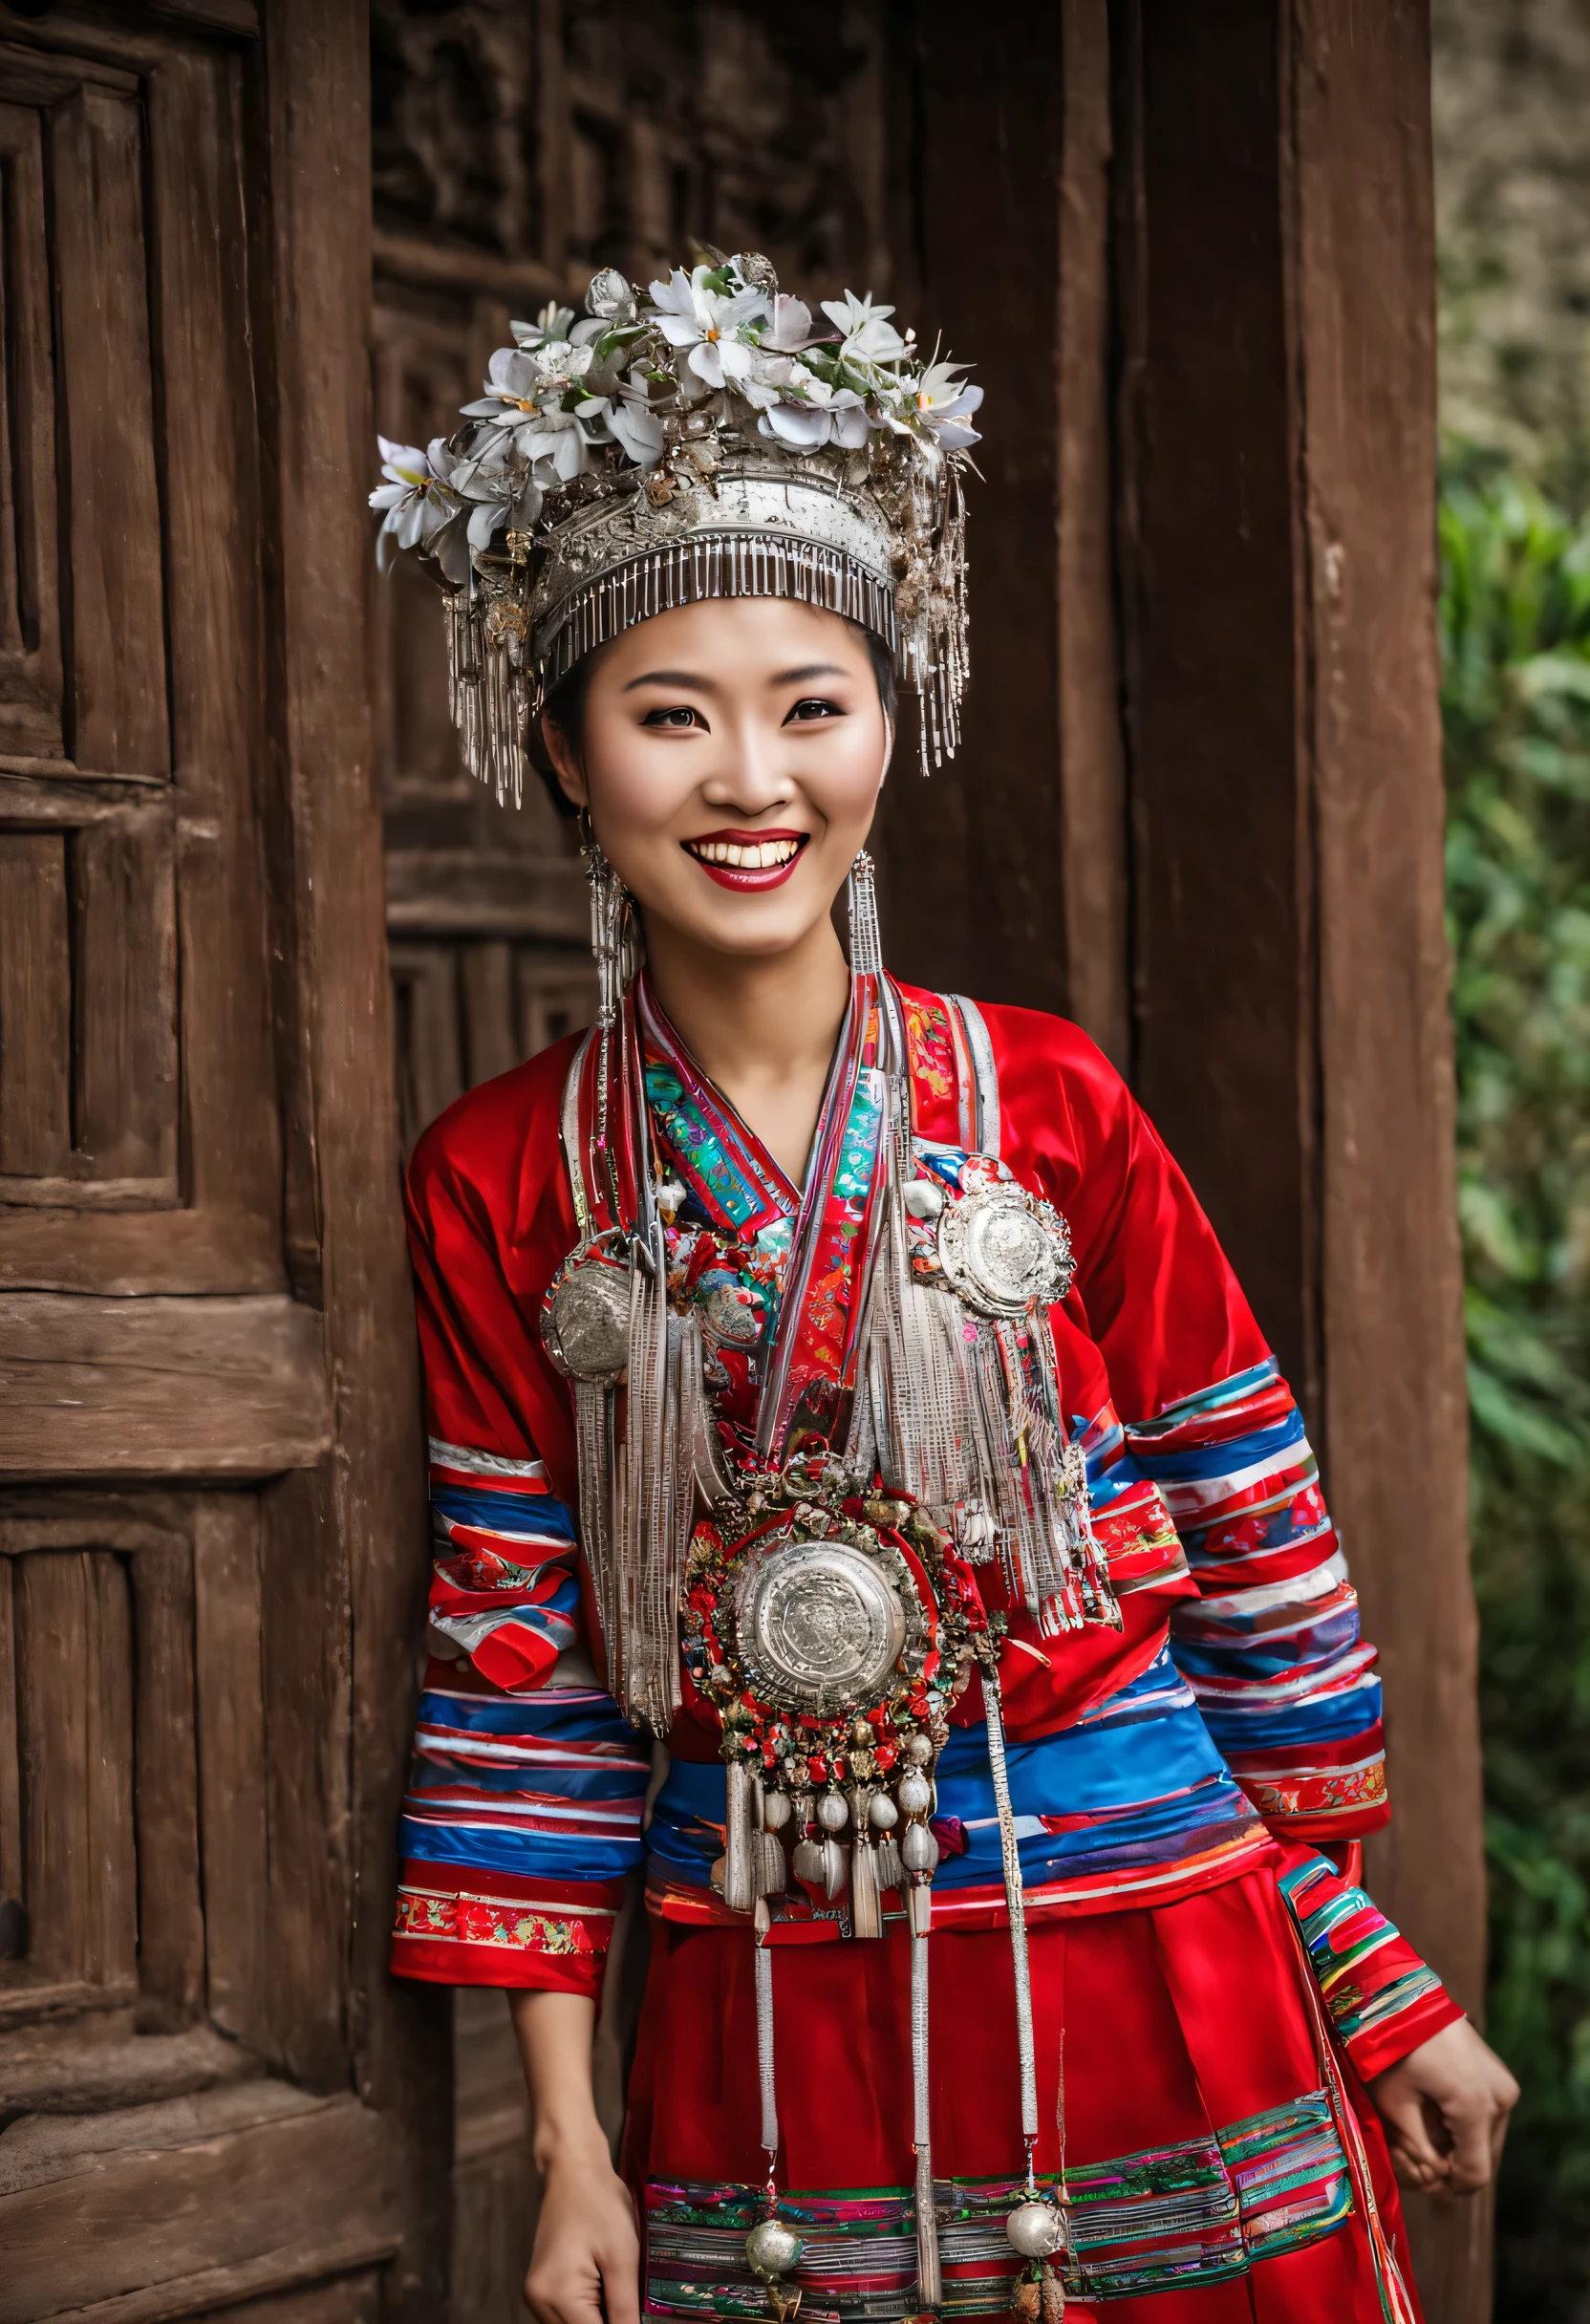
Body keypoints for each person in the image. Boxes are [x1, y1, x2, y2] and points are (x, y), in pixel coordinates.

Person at [373, 254, 1518, 2324]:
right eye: (668, 715)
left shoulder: (1049, 1099)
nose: (752, 780)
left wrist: (1371, 1969)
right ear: (556, 750)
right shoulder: (502, 1177)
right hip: (763, 1998)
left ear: (894, 721)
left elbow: (1259, 1560)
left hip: (1174, 1959)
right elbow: (521, 1665)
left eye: (813, 705)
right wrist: (571, 2154)